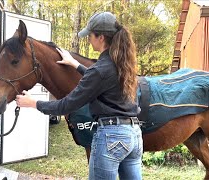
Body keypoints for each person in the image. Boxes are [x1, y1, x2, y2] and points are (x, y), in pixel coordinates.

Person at [16, 11, 143, 180]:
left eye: (90, 35)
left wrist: (33, 103)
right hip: (133, 135)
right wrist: (75, 65)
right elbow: (100, 79)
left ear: (101, 38)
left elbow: (67, 105)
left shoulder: (101, 69)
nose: (89, 39)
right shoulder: (121, 64)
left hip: (111, 137)